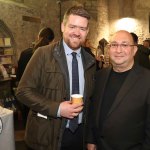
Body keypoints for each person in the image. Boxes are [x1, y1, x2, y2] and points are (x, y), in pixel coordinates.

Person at [16, 5, 96, 150]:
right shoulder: (43, 54)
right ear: (62, 26)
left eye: (82, 29)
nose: (77, 33)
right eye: (72, 26)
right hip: (47, 136)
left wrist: (91, 137)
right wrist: (57, 108)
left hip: (80, 137)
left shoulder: (90, 61)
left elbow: (91, 101)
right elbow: (23, 91)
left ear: (87, 32)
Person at [86, 30, 150, 150]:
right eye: (114, 45)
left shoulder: (147, 80)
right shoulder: (99, 76)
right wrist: (91, 140)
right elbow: (93, 111)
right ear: (109, 49)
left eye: (124, 45)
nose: (118, 50)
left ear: (134, 50)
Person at [16, 27, 55, 127]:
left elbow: (19, 77)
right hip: (44, 99)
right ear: (52, 40)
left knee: (28, 125)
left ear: (38, 37)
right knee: (44, 128)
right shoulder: (53, 55)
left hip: (28, 96)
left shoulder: (25, 53)